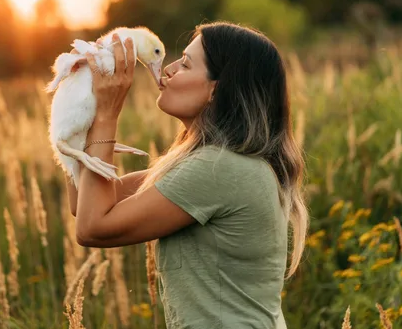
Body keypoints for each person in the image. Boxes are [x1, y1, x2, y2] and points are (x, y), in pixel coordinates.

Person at [63, 21, 309, 329]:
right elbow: (84, 203)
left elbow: (93, 226)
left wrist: (106, 115)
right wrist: (78, 101)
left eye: (186, 64)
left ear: (215, 89)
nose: (168, 69)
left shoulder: (219, 170)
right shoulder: (215, 164)